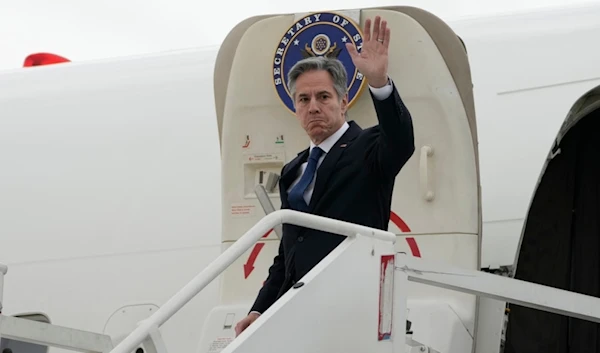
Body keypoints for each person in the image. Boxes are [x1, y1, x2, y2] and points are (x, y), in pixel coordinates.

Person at [235, 15, 415, 336]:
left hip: (351, 309)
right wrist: (259, 309)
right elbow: (287, 253)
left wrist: (379, 83)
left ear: (343, 102)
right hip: (300, 313)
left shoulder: (368, 148)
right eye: (304, 99)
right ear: (295, 109)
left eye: (323, 97)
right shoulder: (293, 171)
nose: (313, 107)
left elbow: (401, 140)